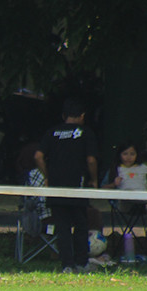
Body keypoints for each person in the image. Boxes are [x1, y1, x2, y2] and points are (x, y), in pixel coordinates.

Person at [34, 97, 99, 273]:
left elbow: (38, 156)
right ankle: (82, 262)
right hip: (77, 186)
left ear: (64, 115)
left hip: (56, 187)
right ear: (83, 116)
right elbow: (91, 160)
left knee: (62, 227)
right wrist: (93, 179)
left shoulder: (52, 132)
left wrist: (48, 176)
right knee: (80, 224)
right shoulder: (85, 133)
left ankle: (67, 265)